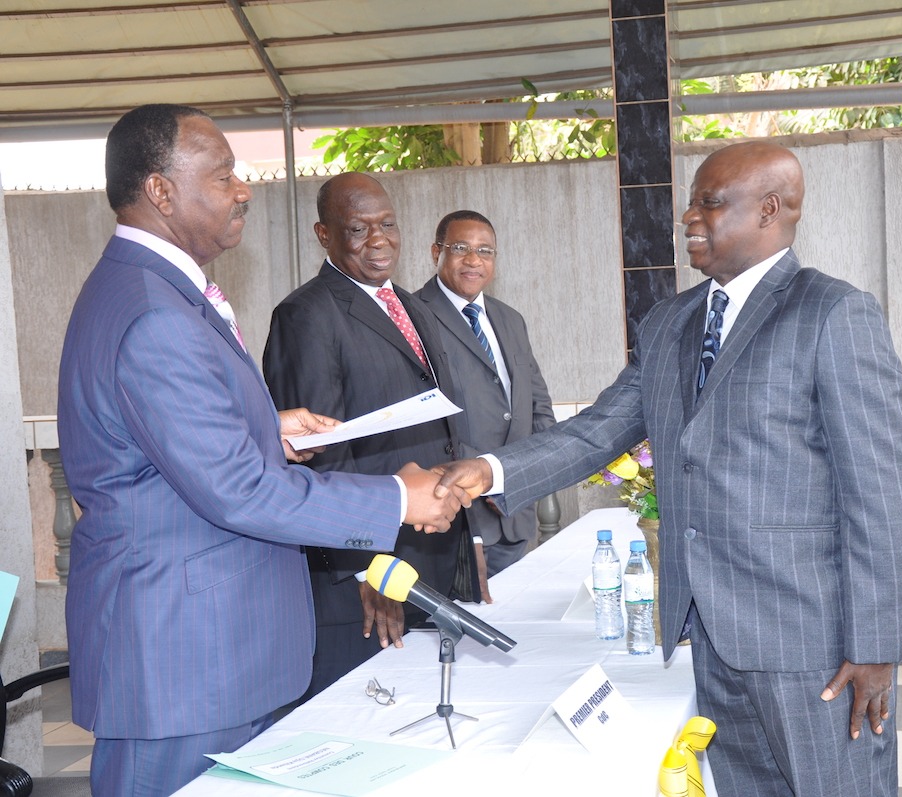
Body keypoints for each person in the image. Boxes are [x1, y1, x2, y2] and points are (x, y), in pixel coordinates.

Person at [433, 141, 902, 796]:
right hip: (712, 637)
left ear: (769, 210)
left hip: (814, 644)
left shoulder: (832, 313)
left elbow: (880, 493)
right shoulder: (671, 321)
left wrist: (876, 645)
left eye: (709, 203)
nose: (689, 217)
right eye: (691, 203)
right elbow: (599, 428)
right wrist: (490, 470)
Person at [57, 104, 467, 796]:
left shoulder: (147, 289)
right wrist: (398, 497)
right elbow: (239, 489)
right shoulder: (156, 313)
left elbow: (159, 438)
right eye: (223, 176)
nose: (243, 189)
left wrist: (264, 425)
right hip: (186, 664)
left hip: (207, 653)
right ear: (160, 191)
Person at [262, 172, 480, 699]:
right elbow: (318, 456)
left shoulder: (410, 305)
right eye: (359, 229)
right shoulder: (305, 315)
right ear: (324, 234)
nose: (378, 240)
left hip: (431, 554)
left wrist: (468, 538)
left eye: (388, 225)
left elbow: (445, 427)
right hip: (369, 580)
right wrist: (368, 570)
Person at [415, 210, 556, 577]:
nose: (474, 260)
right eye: (460, 248)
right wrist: (490, 477)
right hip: (457, 518)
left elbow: (537, 406)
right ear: (436, 252)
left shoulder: (510, 319)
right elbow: (422, 419)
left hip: (516, 516)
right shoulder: (412, 317)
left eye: (485, 250)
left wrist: (522, 476)